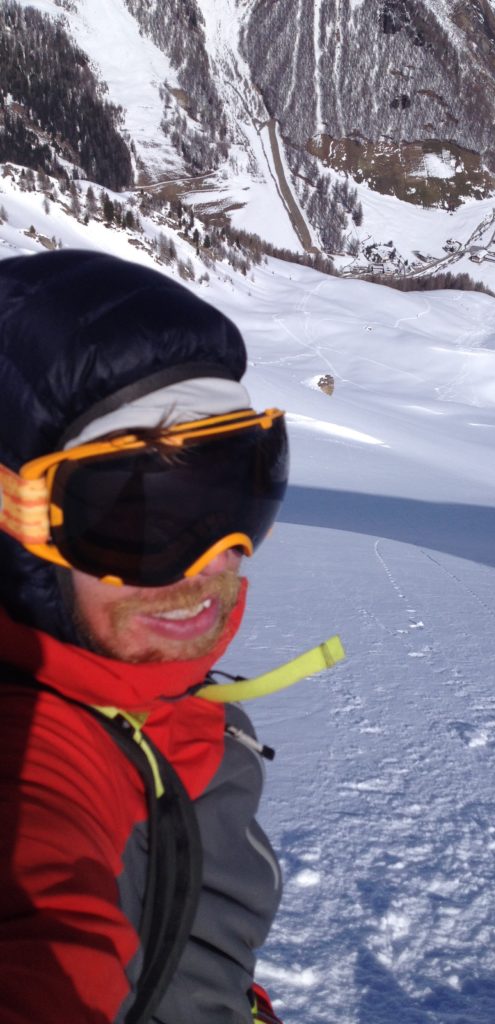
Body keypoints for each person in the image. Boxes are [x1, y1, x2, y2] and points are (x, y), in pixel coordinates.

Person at [0, 249, 299, 1024]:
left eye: (242, 488)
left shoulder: (156, 701)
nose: (213, 564)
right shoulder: (34, 750)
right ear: (14, 523)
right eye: (140, 514)